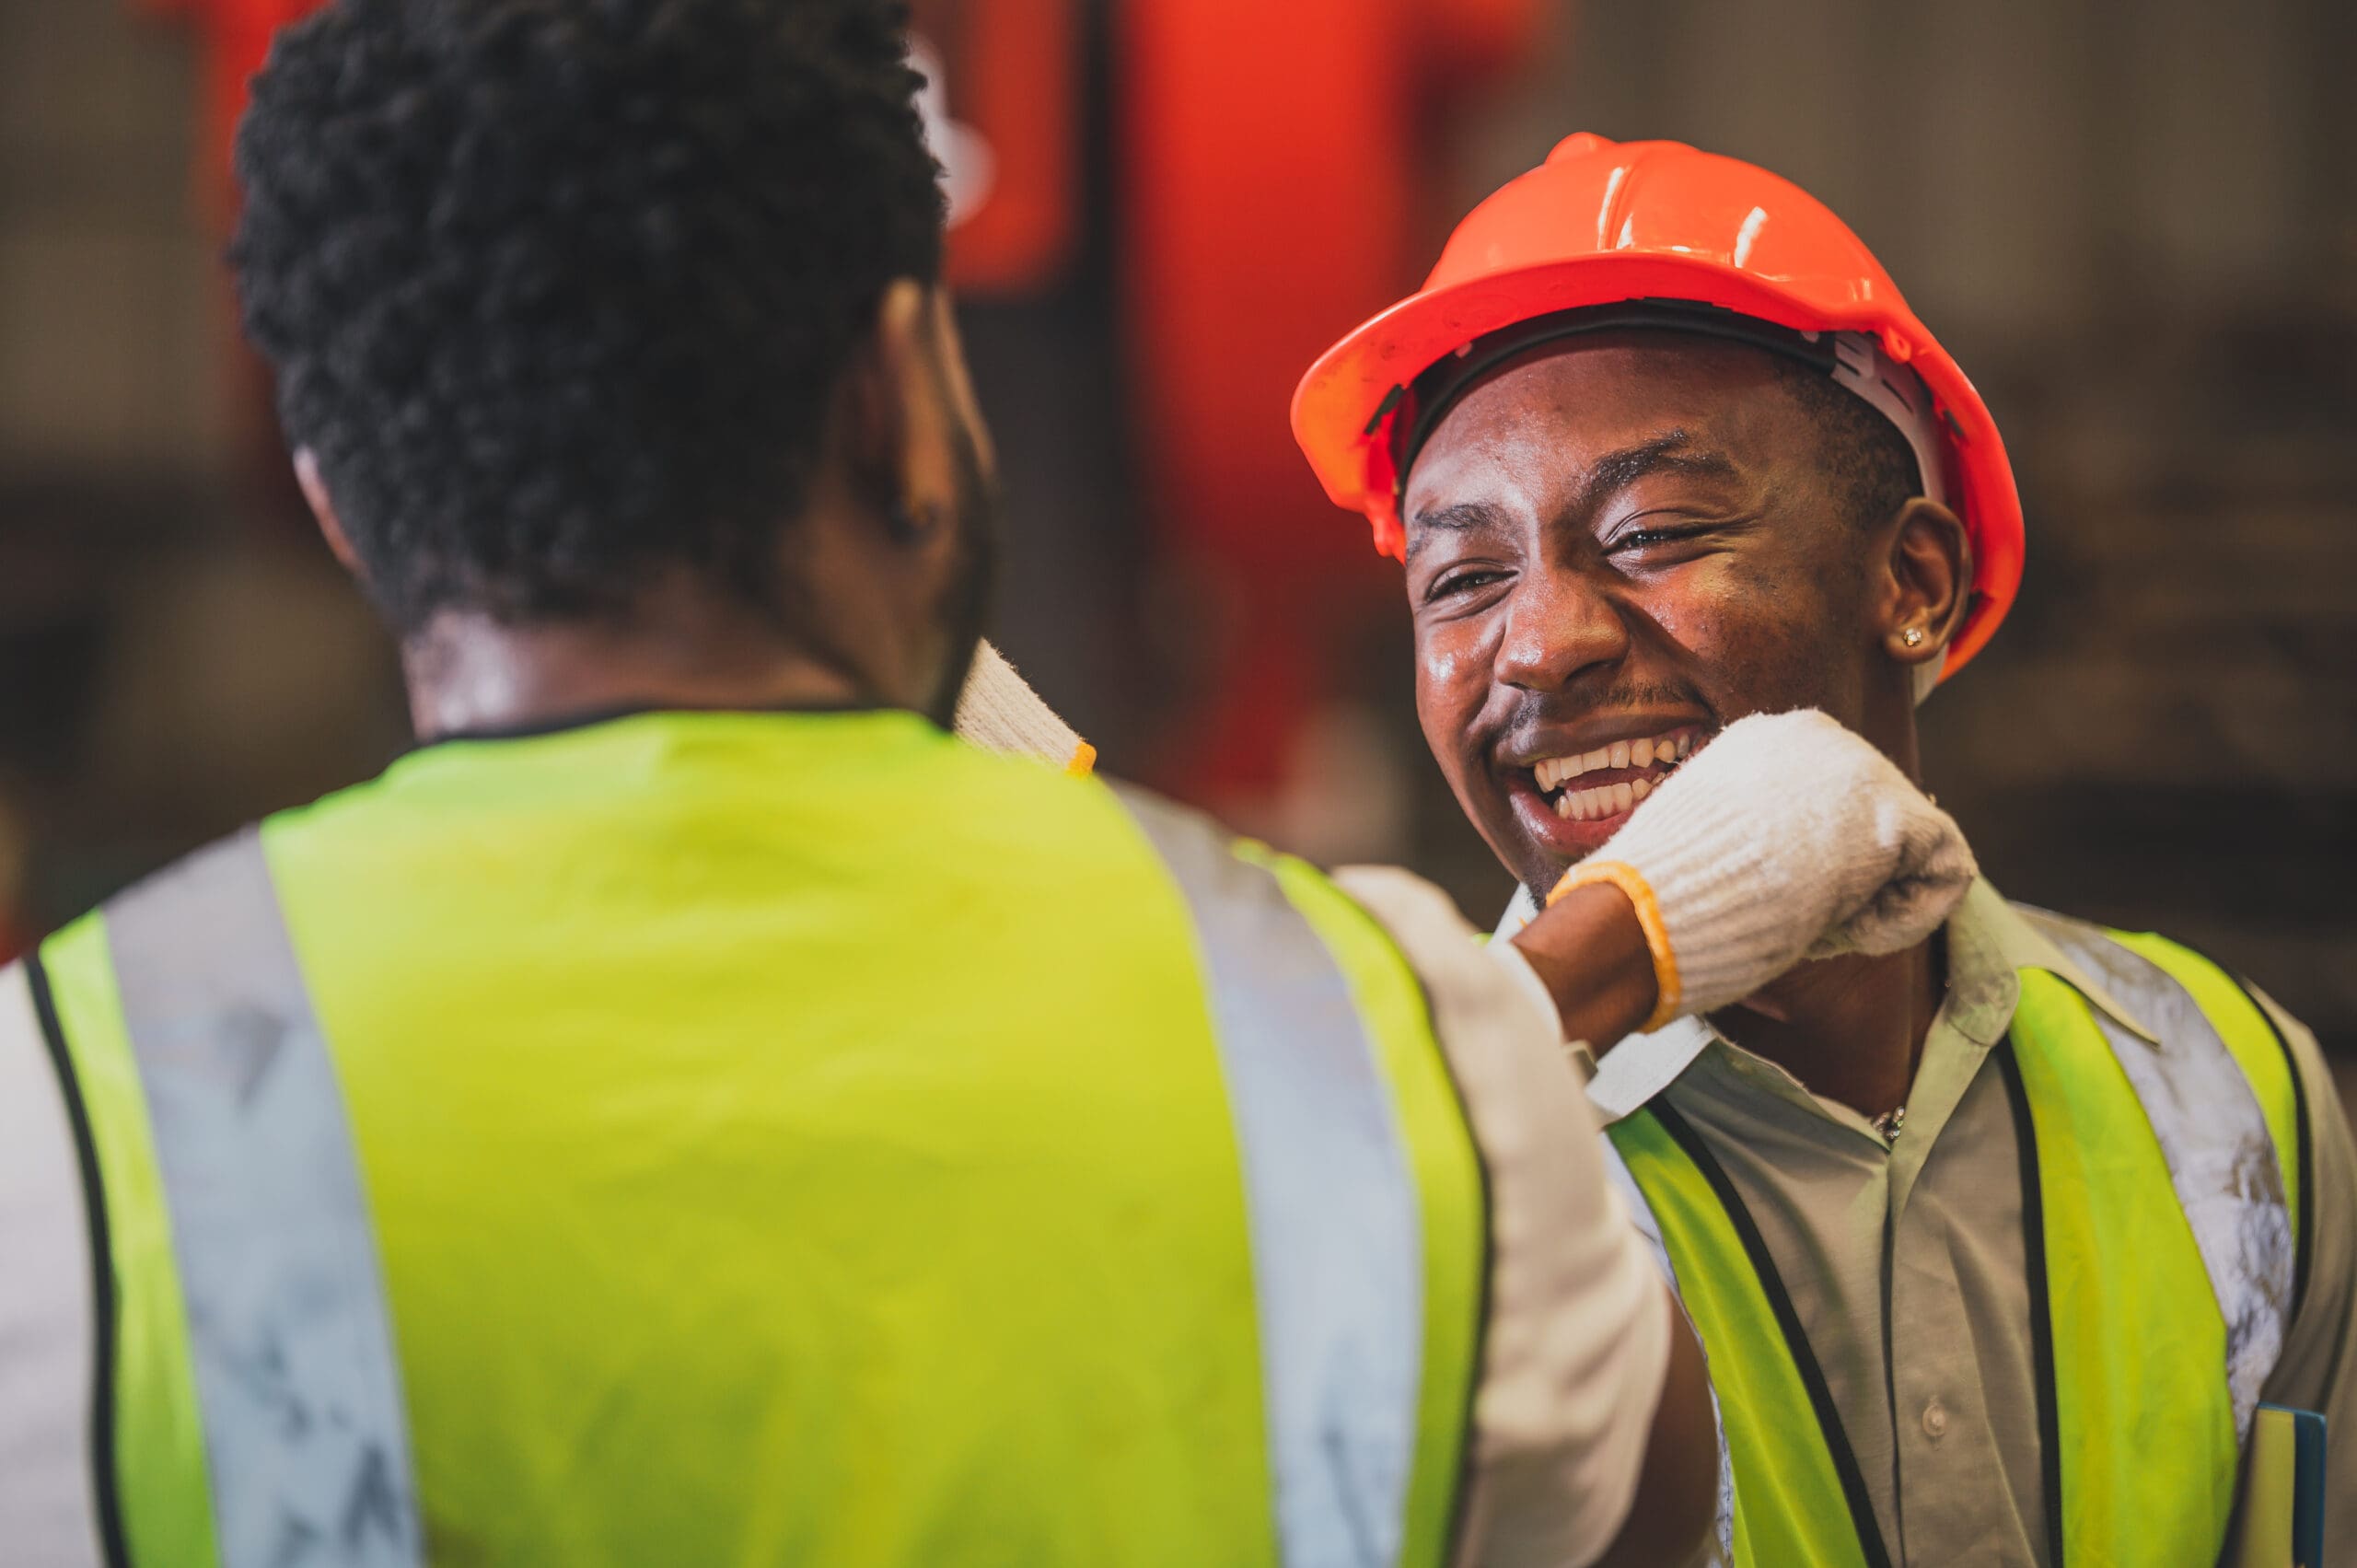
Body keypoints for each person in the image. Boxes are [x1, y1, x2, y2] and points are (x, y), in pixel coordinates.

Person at [0, 14, 1980, 1566]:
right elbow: (1633, 1519)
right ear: (892, 394)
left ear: (344, 502)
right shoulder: (1395, 1067)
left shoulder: (55, 1115)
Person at [1291, 133, 2357, 1565]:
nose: (1539, 646)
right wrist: (1526, 1016)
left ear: (1911, 580)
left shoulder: (2229, 1091)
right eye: (1464, 578)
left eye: (1654, 531)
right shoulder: (1394, 1175)